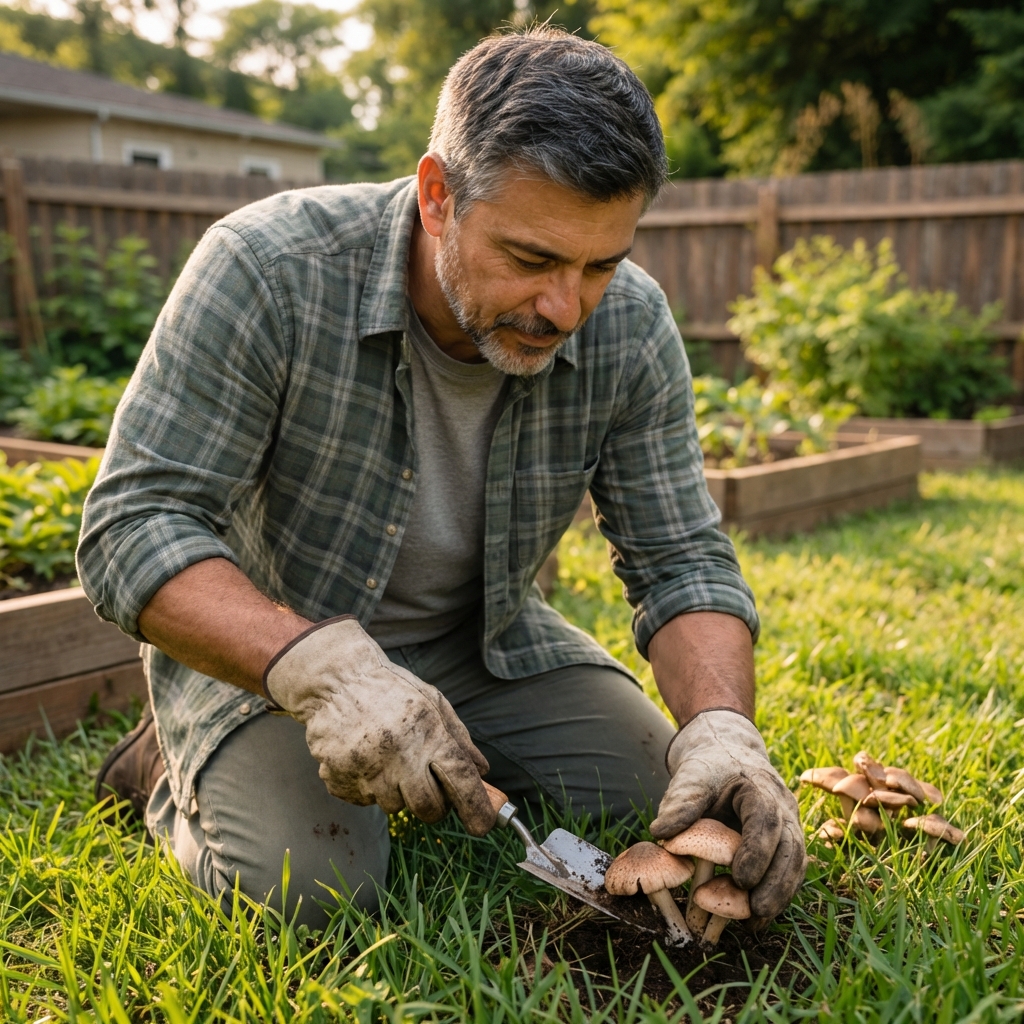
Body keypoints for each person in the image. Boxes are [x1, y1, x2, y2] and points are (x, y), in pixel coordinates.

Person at [80, 27, 806, 931]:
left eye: (600, 264)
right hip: (280, 653)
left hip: (482, 644)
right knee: (318, 892)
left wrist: (721, 729)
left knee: (659, 797)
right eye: (533, 259)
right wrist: (326, 674)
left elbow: (682, 559)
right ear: (436, 196)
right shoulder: (266, 269)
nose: (564, 307)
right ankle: (167, 761)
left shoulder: (630, 324)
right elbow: (133, 525)